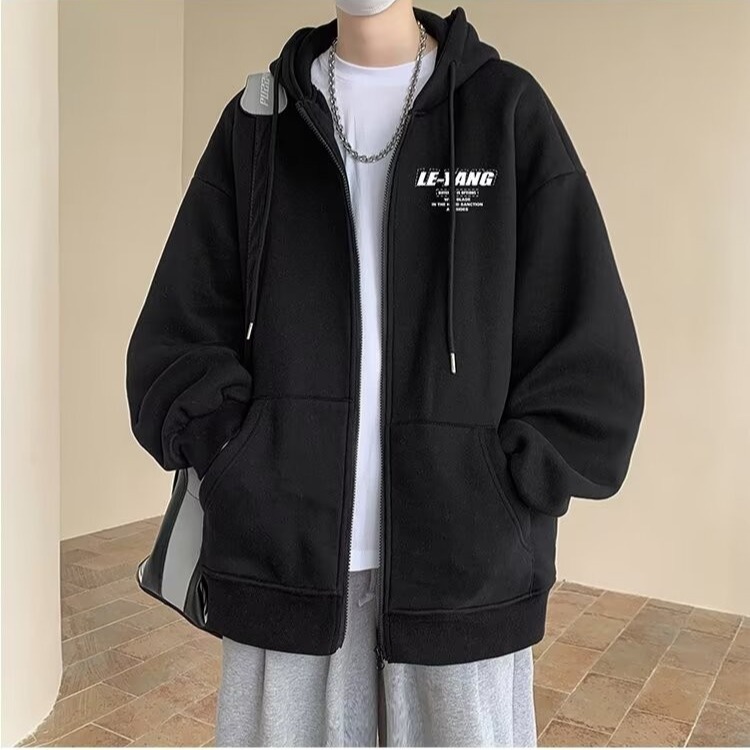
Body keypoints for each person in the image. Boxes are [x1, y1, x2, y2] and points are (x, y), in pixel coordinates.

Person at [125, 1, 645, 746]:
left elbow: (589, 349)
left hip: (462, 579)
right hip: (284, 565)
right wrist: (238, 457)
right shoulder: (258, 123)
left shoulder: (505, 109)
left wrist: (505, 490)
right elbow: (177, 337)